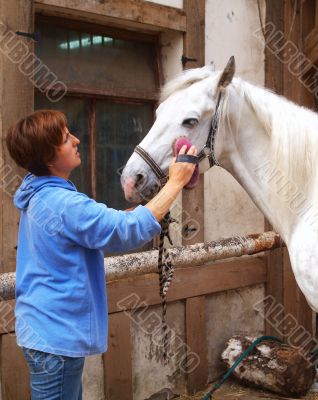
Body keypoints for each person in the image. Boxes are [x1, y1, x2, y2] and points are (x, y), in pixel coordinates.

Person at [6, 109, 197, 400]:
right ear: (48, 156)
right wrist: (176, 182)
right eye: (67, 137)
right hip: (55, 335)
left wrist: (155, 203)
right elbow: (124, 231)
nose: (77, 140)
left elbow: (105, 225)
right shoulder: (63, 203)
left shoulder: (39, 193)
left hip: (44, 330)